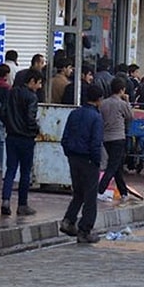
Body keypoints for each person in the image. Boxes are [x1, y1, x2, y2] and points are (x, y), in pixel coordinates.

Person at [60, 85, 104, 244]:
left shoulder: (74, 113)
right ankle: (85, 230)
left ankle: (68, 220)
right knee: (90, 196)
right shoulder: (96, 117)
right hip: (88, 159)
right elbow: (95, 142)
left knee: (78, 192)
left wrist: (68, 152)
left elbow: (65, 137)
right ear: (99, 100)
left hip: (73, 157)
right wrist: (97, 160)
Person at [1, 69, 43, 216]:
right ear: (31, 81)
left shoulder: (11, 93)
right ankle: (22, 204)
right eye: (38, 83)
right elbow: (30, 119)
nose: (40, 86)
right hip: (26, 138)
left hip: (11, 136)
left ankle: (5, 200)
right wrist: (36, 129)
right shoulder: (31, 97)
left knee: (10, 170)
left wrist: (9, 126)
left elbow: (3, 112)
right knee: (25, 172)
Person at [98, 77, 133, 200]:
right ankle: (100, 189)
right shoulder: (122, 104)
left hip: (106, 138)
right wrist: (127, 101)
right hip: (118, 137)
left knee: (117, 166)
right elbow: (130, 116)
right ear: (122, 90)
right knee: (112, 166)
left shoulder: (103, 103)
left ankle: (123, 192)